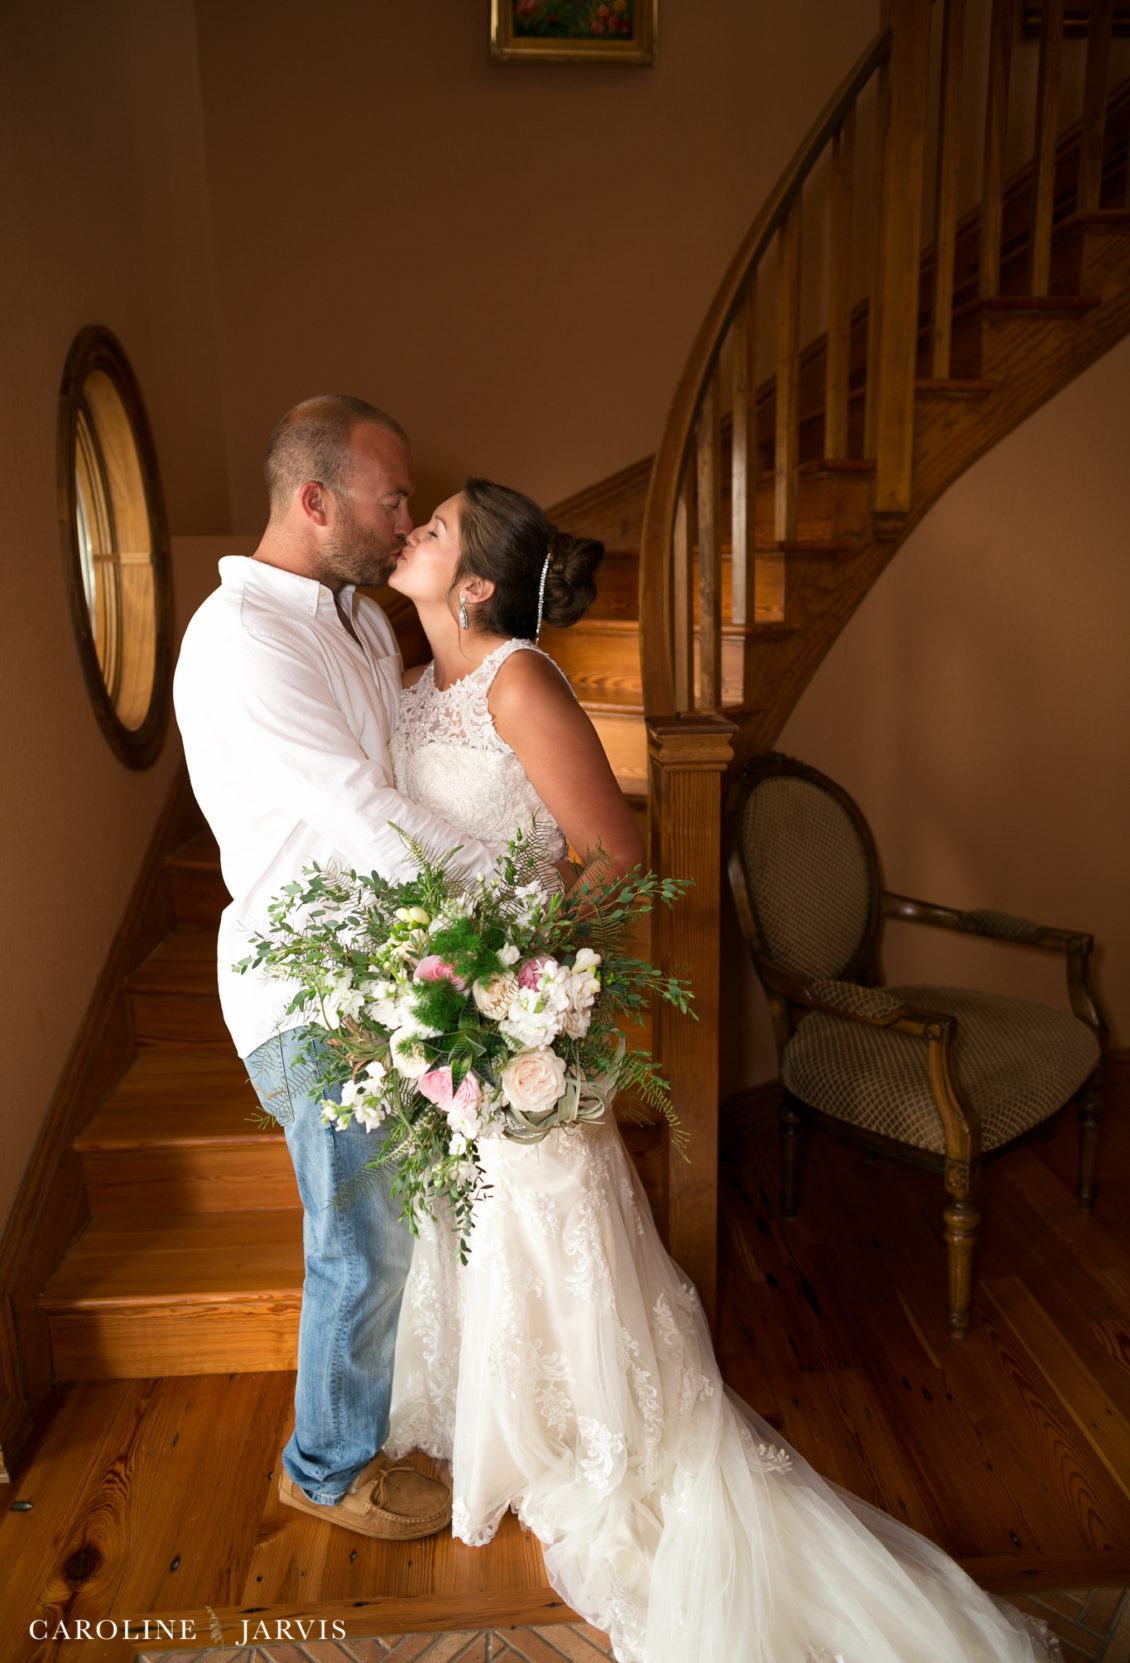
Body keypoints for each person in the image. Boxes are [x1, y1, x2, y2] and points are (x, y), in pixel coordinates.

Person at [378, 476, 1059, 1662]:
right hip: (440, 1010)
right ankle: (516, 1426)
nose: (409, 535)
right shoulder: (407, 685)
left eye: (429, 529)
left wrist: (509, 981)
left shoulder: (519, 681)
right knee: (487, 1226)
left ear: (475, 582)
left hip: (508, 1013)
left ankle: (602, 1442)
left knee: (554, 1225)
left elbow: (611, 853)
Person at [173, 396, 499, 1542]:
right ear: (315, 502)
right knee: (356, 1242)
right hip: (299, 989)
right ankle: (320, 1472)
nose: (404, 517)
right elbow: (361, 813)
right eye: (391, 497)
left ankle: (371, 1425)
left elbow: (408, 766)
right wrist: (508, 889)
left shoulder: (355, 619)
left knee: (398, 1228)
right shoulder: (243, 638)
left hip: (385, 971)